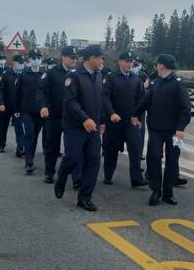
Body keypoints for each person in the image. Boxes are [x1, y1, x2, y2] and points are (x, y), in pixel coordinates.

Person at [132, 53, 191, 206]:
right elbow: (146, 101)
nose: (156, 67)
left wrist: (180, 127)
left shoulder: (178, 84)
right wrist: (135, 114)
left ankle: (168, 193)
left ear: (162, 66)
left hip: (174, 132)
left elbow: (186, 108)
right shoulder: (156, 83)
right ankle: (156, 190)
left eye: (157, 65)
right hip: (156, 128)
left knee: (172, 161)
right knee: (154, 158)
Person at [54, 44, 105, 211]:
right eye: (99, 57)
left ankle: (84, 198)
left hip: (93, 128)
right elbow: (70, 102)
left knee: (93, 160)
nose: (101, 60)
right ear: (91, 58)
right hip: (75, 126)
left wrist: (102, 121)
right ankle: (61, 177)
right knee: (73, 158)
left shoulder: (98, 75)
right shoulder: (73, 76)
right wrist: (84, 119)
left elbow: (100, 102)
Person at [102, 51, 147, 187]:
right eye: (126, 61)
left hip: (130, 121)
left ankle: (136, 179)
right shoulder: (111, 78)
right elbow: (105, 98)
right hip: (114, 121)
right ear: (119, 62)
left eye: (131, 61)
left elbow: (141, 101)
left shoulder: (136, 79)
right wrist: (111, 113)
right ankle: (108, 175)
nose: (129, 64)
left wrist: (138, 118)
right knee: (111, 150)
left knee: (135, 149)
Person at [38, 46, 78, 182]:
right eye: (71, 58)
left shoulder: (78, 73)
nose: (74, 60)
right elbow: (40, 90)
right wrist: (43, 106)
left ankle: (75, 176)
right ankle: (49, 172)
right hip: (55, 114)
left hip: (73, 117)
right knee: (52, 145)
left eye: (75, 58)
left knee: (73, 147)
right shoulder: (52, 72)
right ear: (63, 57)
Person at [13, 50, 45, 173]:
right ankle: (29, 162)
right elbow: (17, 93)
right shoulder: (23, 74)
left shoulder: (44, 74)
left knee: (35, 135)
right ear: (29, 60)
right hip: (26, 110)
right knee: (29, 133)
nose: (36, 59)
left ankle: (30, 155)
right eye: (33, 58)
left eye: (38, 57)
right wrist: (16, 109)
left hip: (40, 111)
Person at [0, 55, 19, 153]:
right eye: (18, 62)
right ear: (14, 62)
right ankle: (2, 144)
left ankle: (20, 147)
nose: (20, 65)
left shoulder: (24, 74)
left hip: (18, 107)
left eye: (22, 63)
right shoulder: (6, 74)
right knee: (3, 126)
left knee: (19, 127)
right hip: (6, 105)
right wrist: (0, 103)